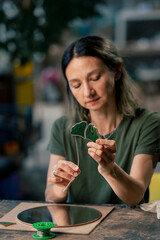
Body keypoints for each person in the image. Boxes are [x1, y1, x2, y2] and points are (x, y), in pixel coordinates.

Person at [45, 36, 160, 206]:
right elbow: (49, 195)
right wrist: (59, 188)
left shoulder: (148, 124)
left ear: (117, 70)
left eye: (95, 78)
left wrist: (110, 169)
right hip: (79, 227)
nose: (87, 92)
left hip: (129, 229)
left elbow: (136, 196)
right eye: (76, 85)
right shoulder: (63, 127)